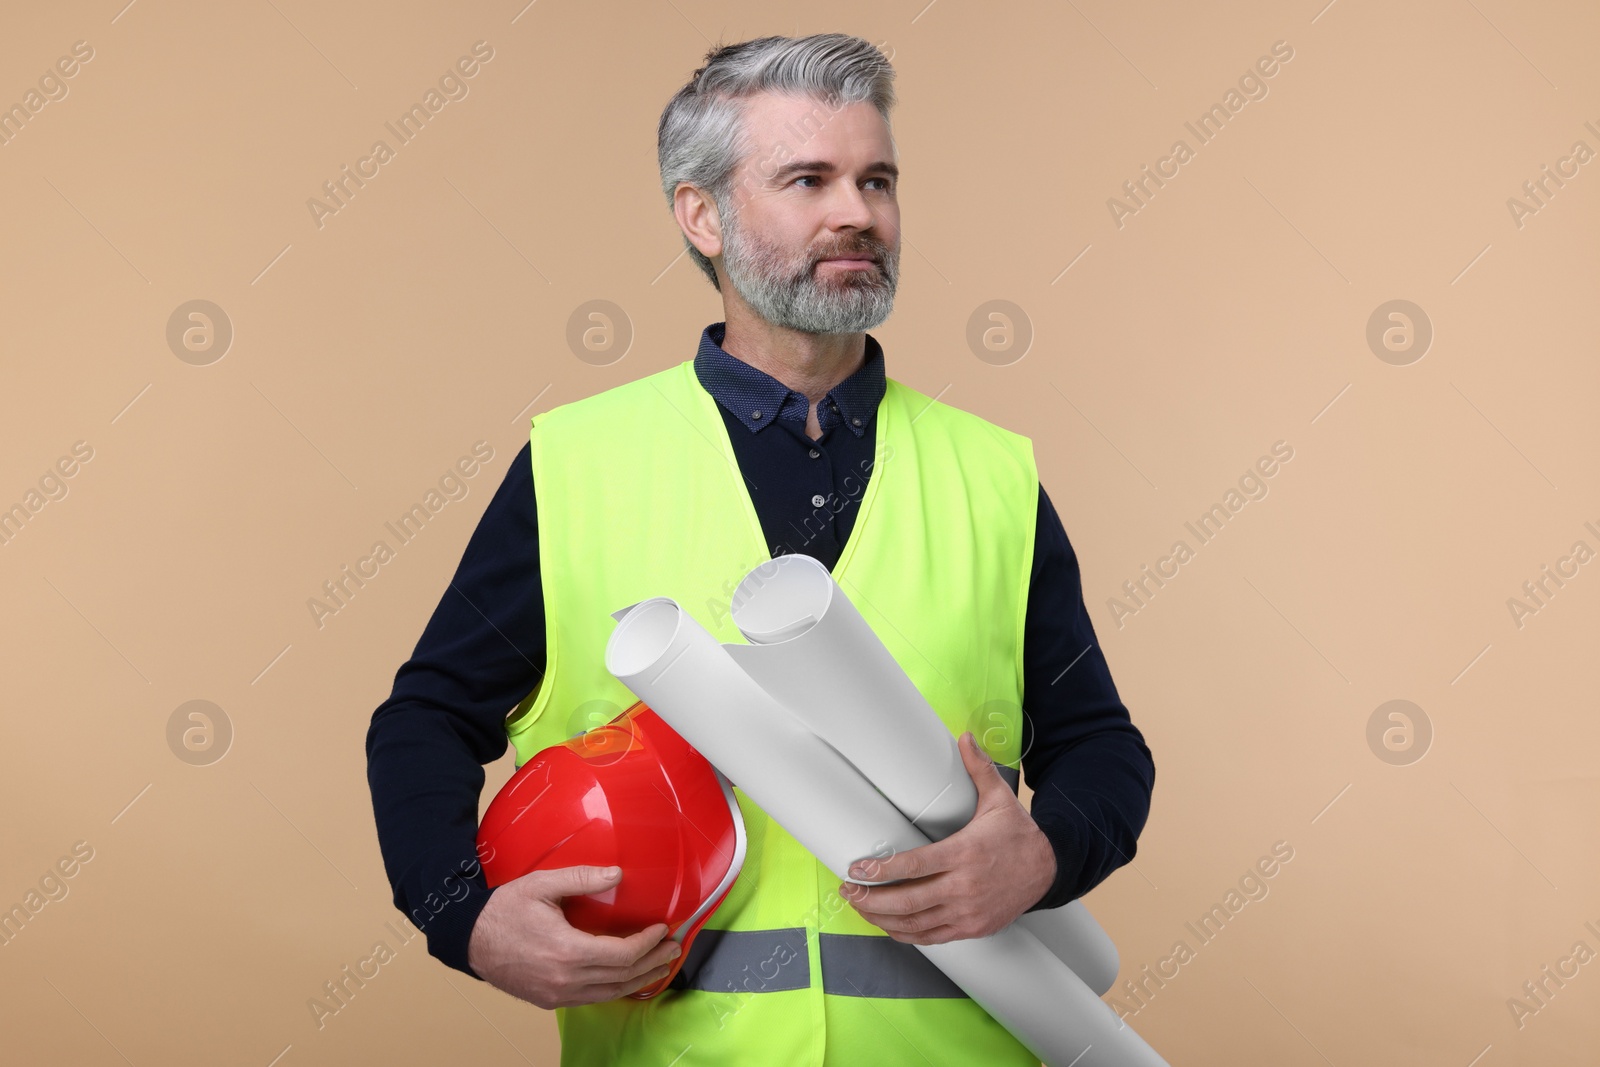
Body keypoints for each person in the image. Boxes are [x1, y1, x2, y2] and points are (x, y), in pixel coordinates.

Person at [365, 32, 1155, 1065]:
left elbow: (1100, 744)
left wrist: (1045, 854)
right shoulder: (579, 465)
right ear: (703, 215)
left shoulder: (990, 477)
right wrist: (462, 915)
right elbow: (423, 718)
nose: (858, 213)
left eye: (877, 179)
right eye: (807, 179)